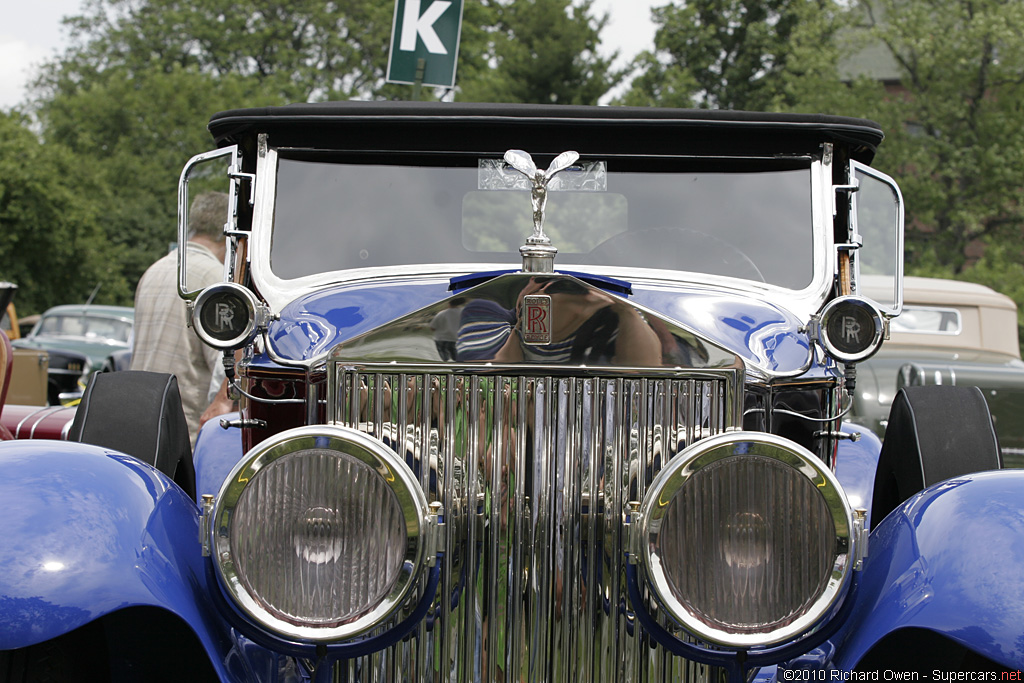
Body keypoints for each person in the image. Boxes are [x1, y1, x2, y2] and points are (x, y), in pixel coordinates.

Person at [130, 192, 232, 445]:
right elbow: (224, 370)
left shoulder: (156, 269)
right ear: (228, 232)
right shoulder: (215, 279)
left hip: (140, 419)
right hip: (184, 431)